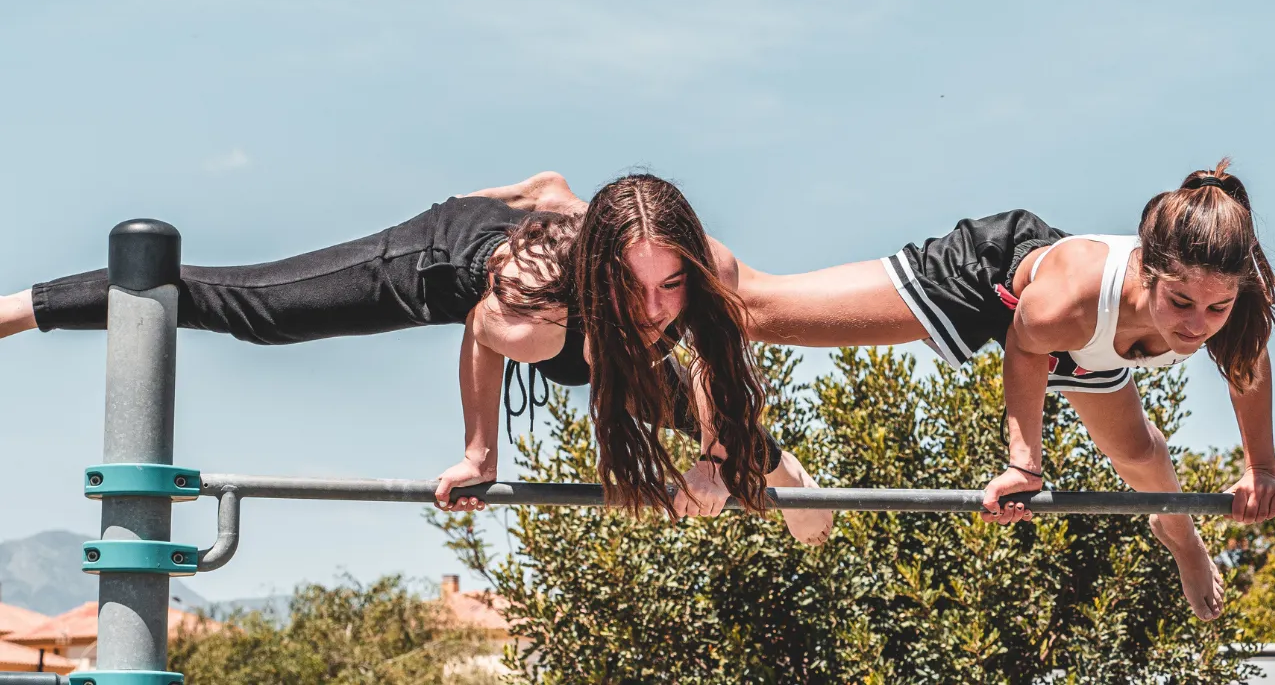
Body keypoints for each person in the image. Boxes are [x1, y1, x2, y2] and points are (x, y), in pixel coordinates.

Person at [0, 172, 831, 545]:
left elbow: (718, 369)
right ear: (597, 270)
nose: (658, 309)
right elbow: (481, 335)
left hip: (575, 305)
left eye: (671, 284)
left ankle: (553, 194)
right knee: (261, 312)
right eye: (635, 286)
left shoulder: (707, 274)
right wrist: (479, 451)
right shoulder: (533, 306)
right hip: (446, 262)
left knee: (673, 388)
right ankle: (21, 309)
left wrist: (721, 459)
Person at [731, 160, 1275, 620]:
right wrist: (1025, 465)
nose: (1197, 325)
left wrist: (1261, 469)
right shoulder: (1073, 299)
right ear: (1149, 270)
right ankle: (688, 276)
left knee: (1138, 453)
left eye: (1216, 308)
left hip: (1083, 343)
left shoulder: (1233, 302)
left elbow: (1247, 375)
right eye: (1181, 303)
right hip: (991, 279)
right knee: (764, 314)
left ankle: (1180, 537)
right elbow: (1025, 351)